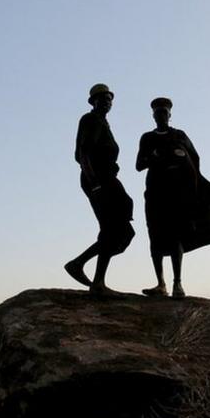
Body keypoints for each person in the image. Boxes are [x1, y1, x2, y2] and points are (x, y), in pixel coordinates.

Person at [136, 97, 210, 298]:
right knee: (155, 237)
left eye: (164, 112)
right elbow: (139, 165)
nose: (160, 115)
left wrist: (186, 172)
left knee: (175, 237)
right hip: (155, 193)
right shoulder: (147, 138)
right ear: (153, 115)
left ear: (169, 115)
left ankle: (177, 284)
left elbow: (195, 160)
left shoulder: (179, 135)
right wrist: (153, 156)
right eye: (157, 112)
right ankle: (160, 284)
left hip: (177, 193)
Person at [64, 83, 135, 294]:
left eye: (109, 99)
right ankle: (98, 282)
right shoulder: (91, 120)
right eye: (102, 99)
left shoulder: (102, 122)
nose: (107, 102)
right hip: (99, 179)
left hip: (107, 179)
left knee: (124, 233)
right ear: (93, 102)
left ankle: (79, 264)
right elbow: (83, 153)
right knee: (112, 229)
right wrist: (95, 183)